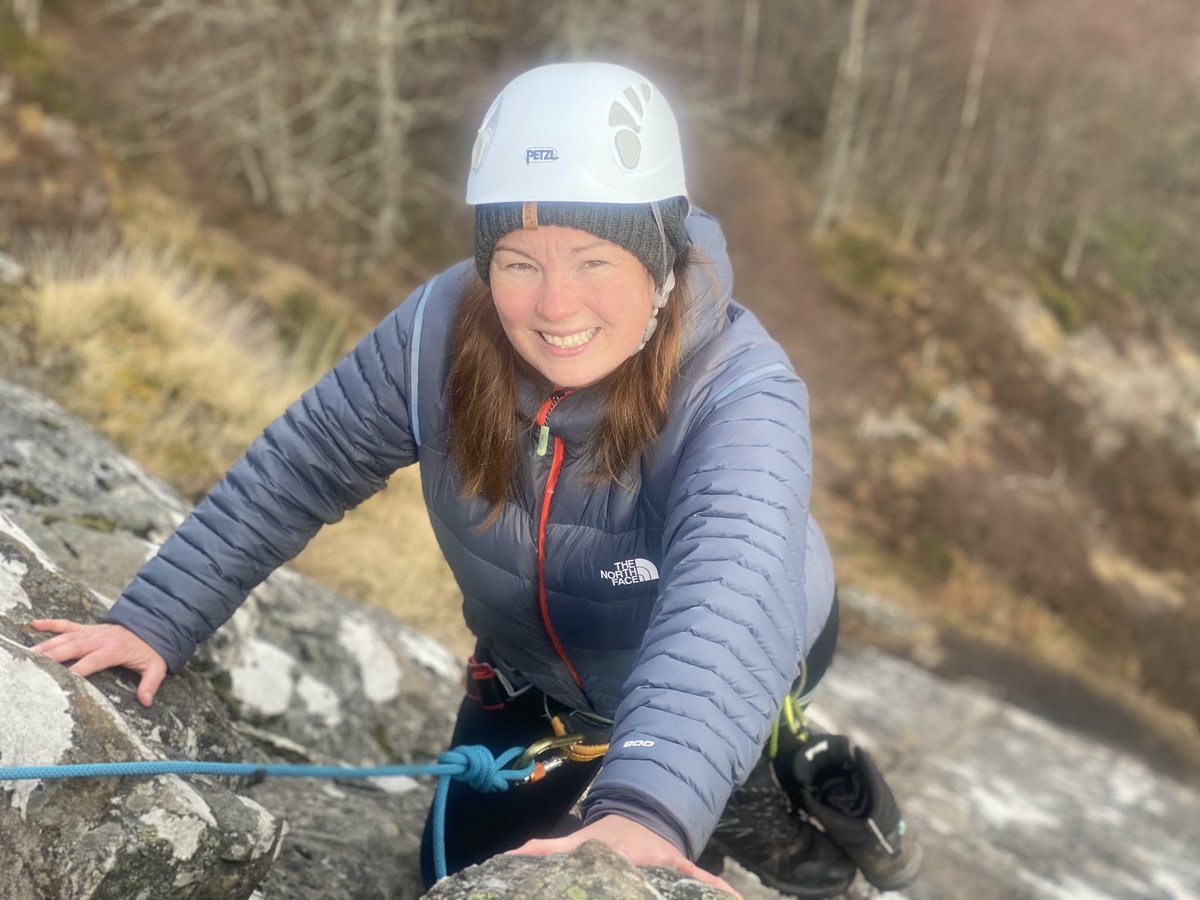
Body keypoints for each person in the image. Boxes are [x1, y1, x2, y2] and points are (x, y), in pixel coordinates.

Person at [30, 62, 919, 897]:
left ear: (662, 257)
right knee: (450, 873)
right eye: (519, 262)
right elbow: (301, 468)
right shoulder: (440, 332)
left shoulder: (740, 391)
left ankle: (753, 782)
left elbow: (730, 597)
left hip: (744, 634)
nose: (555, 306)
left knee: (659, 810)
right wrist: (154, 619)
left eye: (595, 260)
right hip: (537, 672)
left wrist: (645, 812)